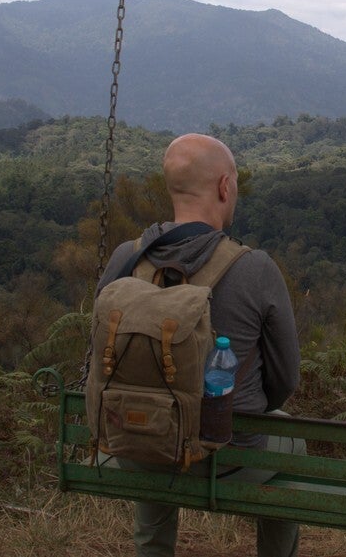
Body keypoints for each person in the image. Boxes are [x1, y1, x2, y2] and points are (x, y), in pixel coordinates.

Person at [96, 133, 302, 557]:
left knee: (153, 426)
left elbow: (99, 360)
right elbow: (284, 382)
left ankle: (153, 548)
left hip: (134, 447)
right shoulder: (255, 268)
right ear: (225, 187)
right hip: (226, 456)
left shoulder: (125, 257)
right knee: (292, 440)